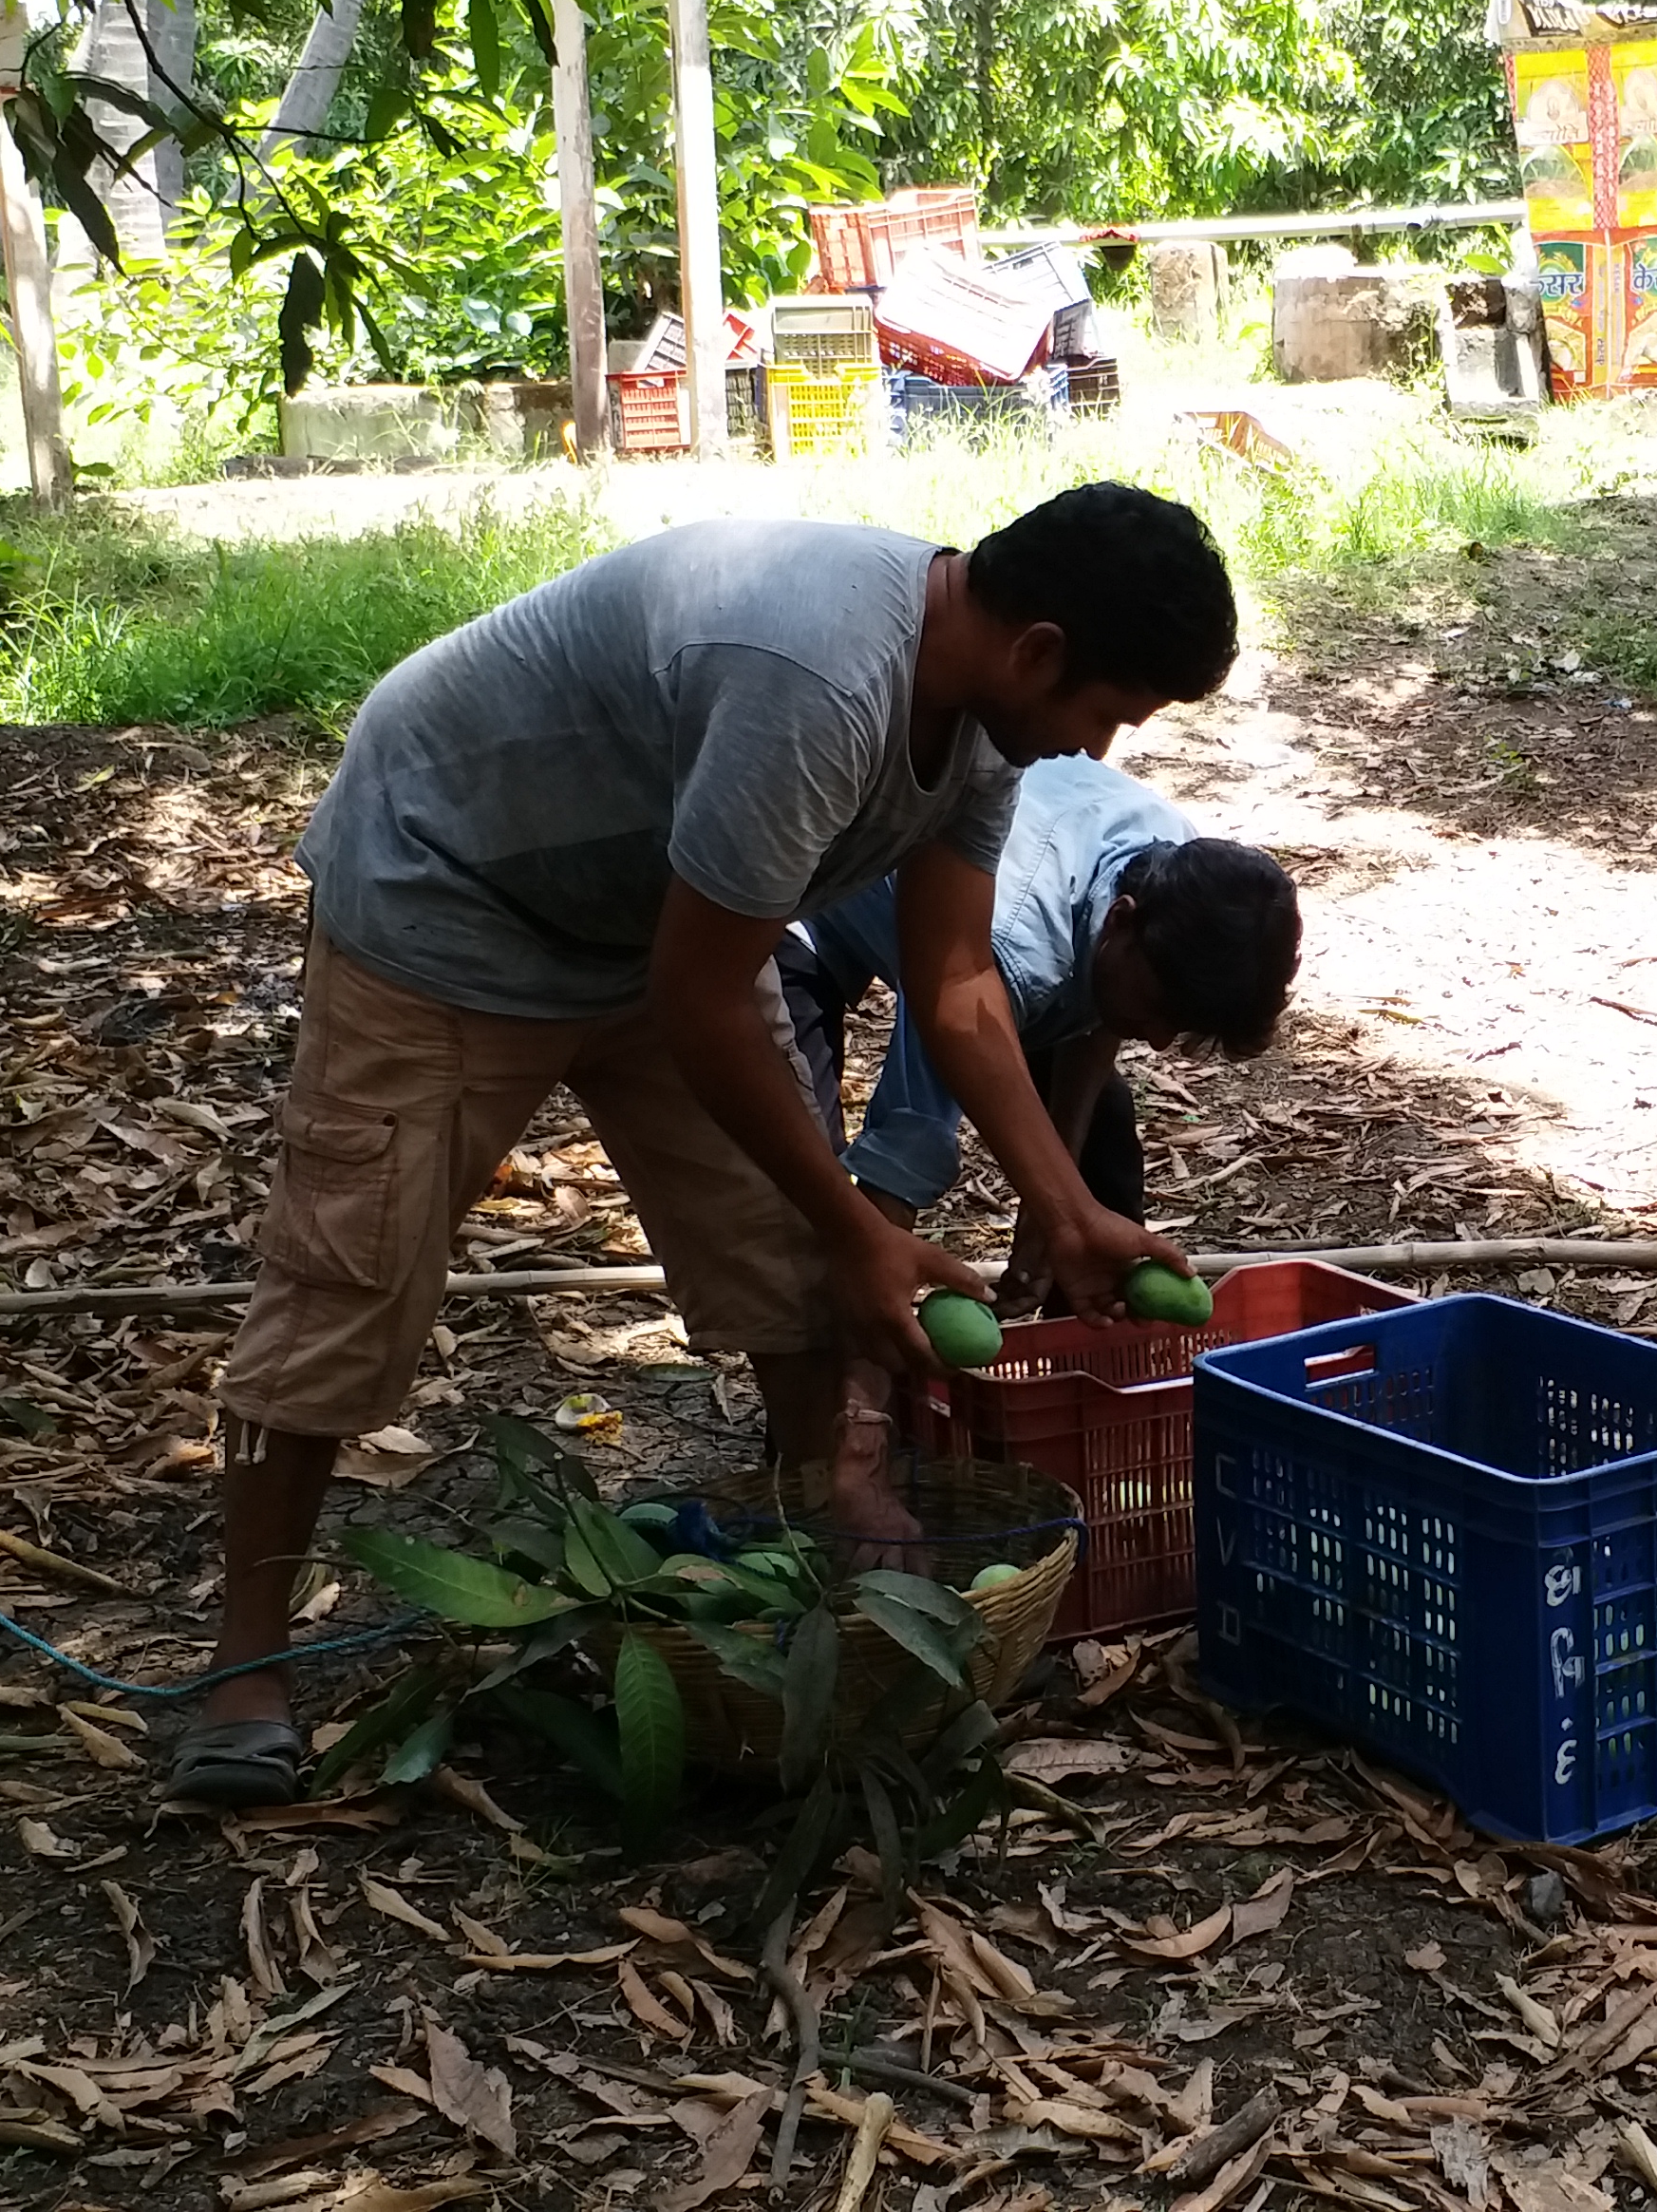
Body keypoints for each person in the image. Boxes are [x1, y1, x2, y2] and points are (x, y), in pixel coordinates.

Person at [169, 485, 1232, 1808]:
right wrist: (862, 1224)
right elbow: (705, 997)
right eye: (1112, 713)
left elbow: (957, 984)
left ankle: (833, 1582)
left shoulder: (984, 728)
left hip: (649, 925)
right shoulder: (819, 679)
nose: (1106, 746)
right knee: (350, 1278)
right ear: (1040, 652)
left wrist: (1062, 1206)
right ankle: (243, 1667)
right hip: (448, 896)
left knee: (794, 1267)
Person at [782, 756, 1299, 1304]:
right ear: (1120, 919)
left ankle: (1088, 1347)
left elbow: (1093, 1024)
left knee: (1100, 1132)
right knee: (799, 1167)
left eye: (1180, 1024)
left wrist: (1054, 1207)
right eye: (1154, 1008)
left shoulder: (1182, 873)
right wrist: (878, 1288)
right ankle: (837, 1359)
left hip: (982, 934)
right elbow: (910, 1131)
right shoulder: (1011, 944)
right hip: (805, 899)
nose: (1159, 1040)